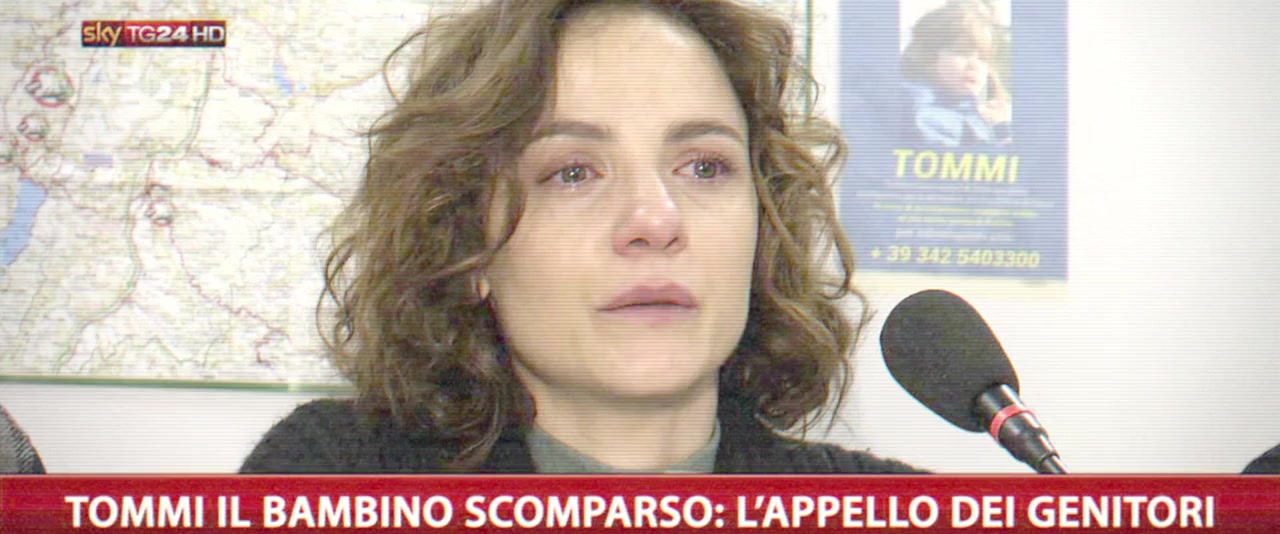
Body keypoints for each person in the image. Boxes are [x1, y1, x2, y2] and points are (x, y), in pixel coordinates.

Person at [241, 0, 924, 474]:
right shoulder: (333, 478)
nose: (656, 221)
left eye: (704, 167)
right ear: (467, 246)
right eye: (572, 173)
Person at [900, 0, 1012, 148]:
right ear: (929, 56)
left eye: (983, 58)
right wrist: (1003, 132)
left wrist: (1001, 126)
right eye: (962, 52)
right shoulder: (919, 111)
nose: (974, 65)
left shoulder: (976, 113)